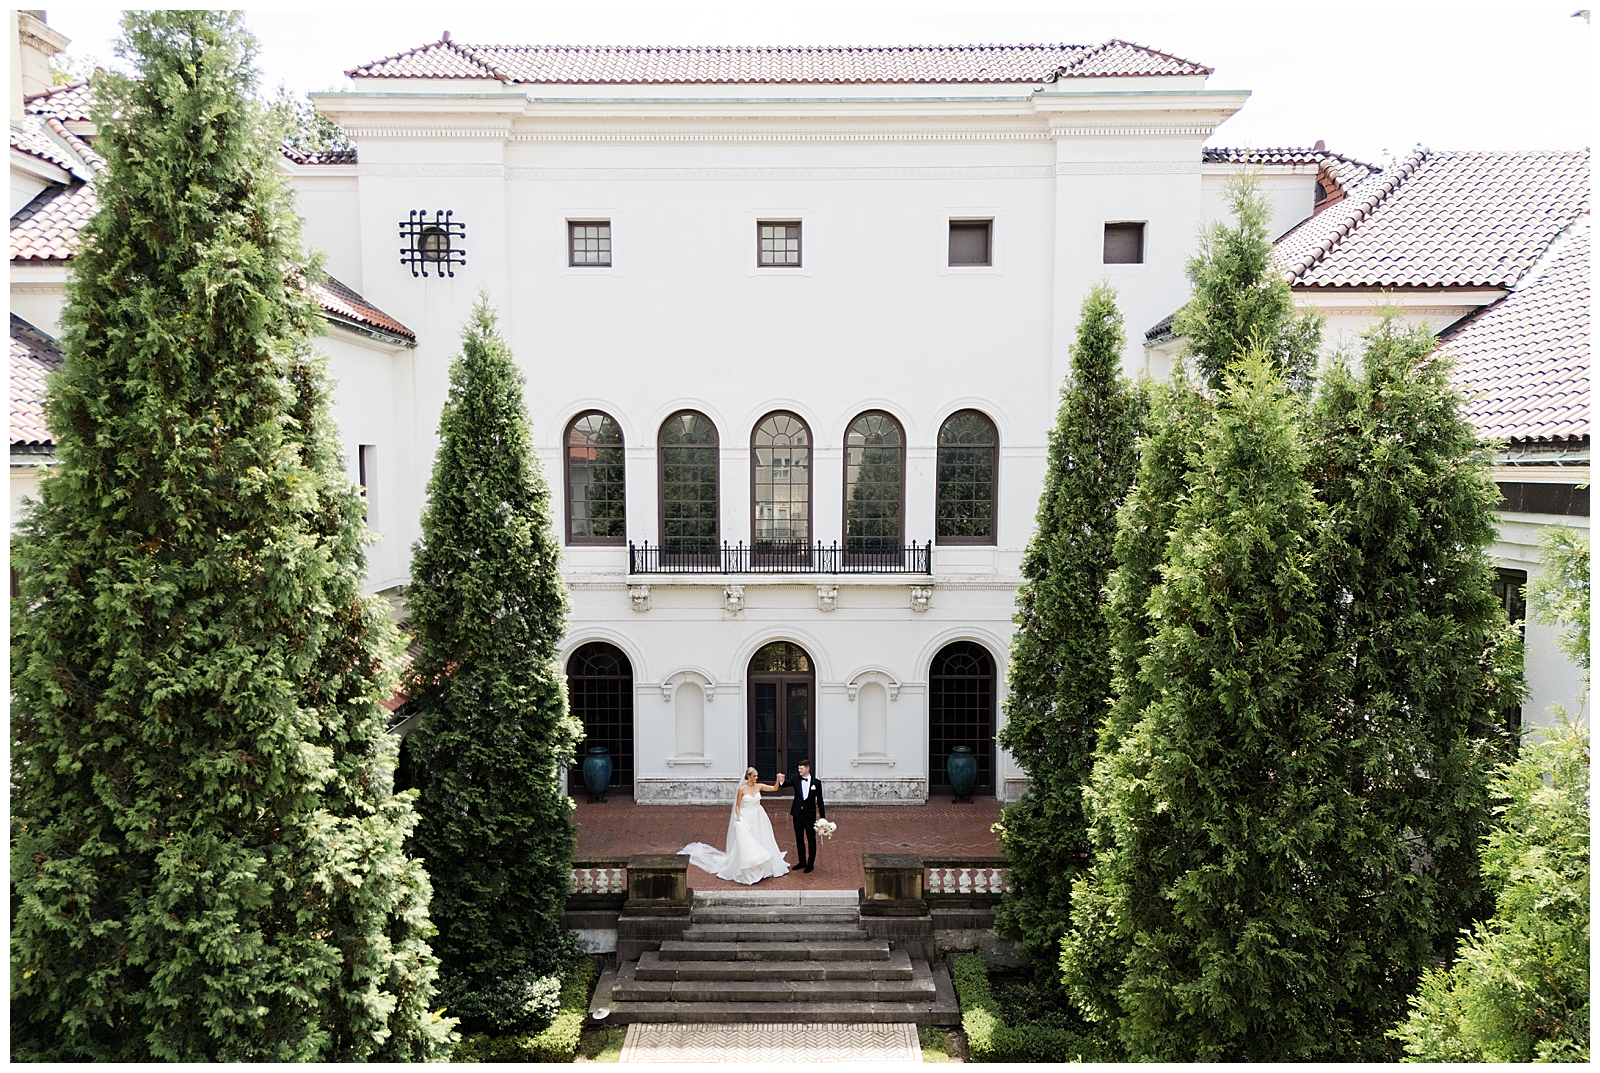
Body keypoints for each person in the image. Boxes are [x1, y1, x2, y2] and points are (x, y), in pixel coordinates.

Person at [679, 768, 790, 884]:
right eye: (755, 776)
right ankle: (750, 865)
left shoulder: (759, 786)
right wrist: (738, 816)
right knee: (748, 839)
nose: (757, 778)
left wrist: (778, 780)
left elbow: (774, 788)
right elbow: (737, 805)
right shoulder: (742, 789)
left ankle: (765, 864)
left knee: (762, 836)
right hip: (747, 815)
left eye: (757, 776)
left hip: (759, 815)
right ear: (749, 777)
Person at [788, 759, 826, 873]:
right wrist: (780, 781)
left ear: (808, 769)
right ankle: (801, 861)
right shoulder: (796, 780)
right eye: (798, 768)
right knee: (799, 838)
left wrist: (823, 817)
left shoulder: (816, 783)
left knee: (811, 839)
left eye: (801, 768)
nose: (799, 770)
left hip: (810, 815)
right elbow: (784, 784)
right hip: (797, 814)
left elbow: (820, 800)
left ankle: (810, 863)